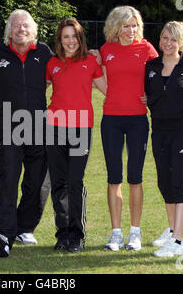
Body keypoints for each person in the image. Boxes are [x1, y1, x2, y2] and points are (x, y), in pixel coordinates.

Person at [0, 9, 54, 258]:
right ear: (9, 30)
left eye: (25, 26)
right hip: (8, 125)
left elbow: (61, 69)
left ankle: (24, 227)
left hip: (38, 125)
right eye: (16, 26)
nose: (21, 30)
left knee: (37, 180)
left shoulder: (43, 52)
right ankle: (2, 232)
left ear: (32, 29)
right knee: (9, 177)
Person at [98, 6, 159, 251]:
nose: (130, 30)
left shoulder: (146, 48)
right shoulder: (106, 50)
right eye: (125, 26)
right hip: (111, 119)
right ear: (115, 27)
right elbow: (96, 76)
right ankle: (115, 233)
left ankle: (135, 232)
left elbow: (165, 71)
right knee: (114, 178)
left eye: (134, 25)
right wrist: (112, 95)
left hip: (137, 120)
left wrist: (151, 96)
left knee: (135, 177)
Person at [45, 19, 106, 253]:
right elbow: (36, 89)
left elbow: (109, 88)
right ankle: (63, 234)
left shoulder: (90, 61)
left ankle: (77, 236)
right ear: (60, 40)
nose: (70, 41)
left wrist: (104, 63)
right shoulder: (52, 63)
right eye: (65, 37)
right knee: (58, 182)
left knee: (75, 180)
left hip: (81, 128)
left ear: (80, 39)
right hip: (54, 127)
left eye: (74, 36)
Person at [144, 21, 183, 257]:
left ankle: (177, 242)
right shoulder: (151, 65)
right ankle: (171, 231)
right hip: (158, 131)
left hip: (182, 132)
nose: (168, 43)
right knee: (164, 182)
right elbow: (148, 94)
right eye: (165, 38)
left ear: (182, 43)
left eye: (173, 39)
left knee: (180, 184)